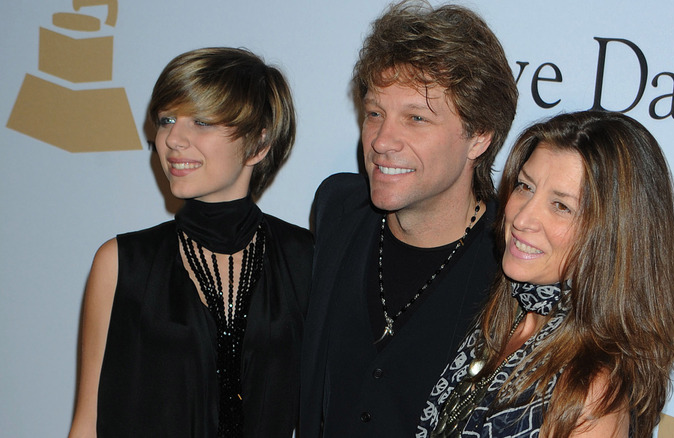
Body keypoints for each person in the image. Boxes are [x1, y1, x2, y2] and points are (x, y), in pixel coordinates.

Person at [299, 1, 518, 436]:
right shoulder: (338, 209)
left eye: (416, 118)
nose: (381, 140)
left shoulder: (512, 263)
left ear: (479, 137)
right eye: (375, 113)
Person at [68, 47, 312, 437]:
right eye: (166, 120)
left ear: (259, 144)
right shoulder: (122, 263)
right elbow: (87, 426)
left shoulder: (307, 260)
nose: (172, 140)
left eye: (200, 121)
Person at [417, 110, 674, 438]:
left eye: (561, 206)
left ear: (614, 236)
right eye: (525, 186)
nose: (522, 216)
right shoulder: (503, 322)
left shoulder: (591, 391)